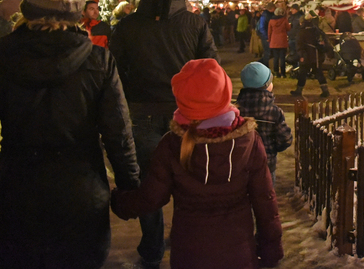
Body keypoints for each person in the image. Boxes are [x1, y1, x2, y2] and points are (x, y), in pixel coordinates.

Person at [0, 0, 140, 268]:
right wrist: (129, 186)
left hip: (16, 185)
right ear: (76, 15)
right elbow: (118, 131)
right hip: (81, 190)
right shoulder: (98, 60)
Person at [111, 59, 284, 269]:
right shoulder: (248, 140)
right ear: (225, 94)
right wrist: (271, 252)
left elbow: (150, 197)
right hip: (238, 254)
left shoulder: (172, 144)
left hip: (189, 254)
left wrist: (119, 202)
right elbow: (265, 202)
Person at [109, 0, 218, 268]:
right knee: (189, 178)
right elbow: (210, 66)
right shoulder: (195, 23)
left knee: (148, 181)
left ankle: (153, 245)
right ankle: (188, 240)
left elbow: (114, 68)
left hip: (141, 109)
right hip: (184, 112)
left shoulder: (128, 25)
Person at [236, 62, 292, 184]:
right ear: (267, 85)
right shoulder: (274, 112)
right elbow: (285, 139)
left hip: (241, 163)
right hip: (266, 163)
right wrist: (273, 149)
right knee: (266, 196)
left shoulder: (237, 110)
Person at [291, 10, 331, 98]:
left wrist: (301, 55)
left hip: (307, 56)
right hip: (317, 56)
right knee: (318, 72)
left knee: (303, 73)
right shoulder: (317, 30)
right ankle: (325, 90)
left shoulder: (302, 32)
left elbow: (299, 45)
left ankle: (299, 90)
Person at [267, 6, 290, 77]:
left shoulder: (271, 21)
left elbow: (269, 32)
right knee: (282, 57)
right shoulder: (284, 20)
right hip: (282, 40)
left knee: (276, 58)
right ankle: (283, 73)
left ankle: (276, 72)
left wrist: (269, 39)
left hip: (274, 41)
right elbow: (288, 28)